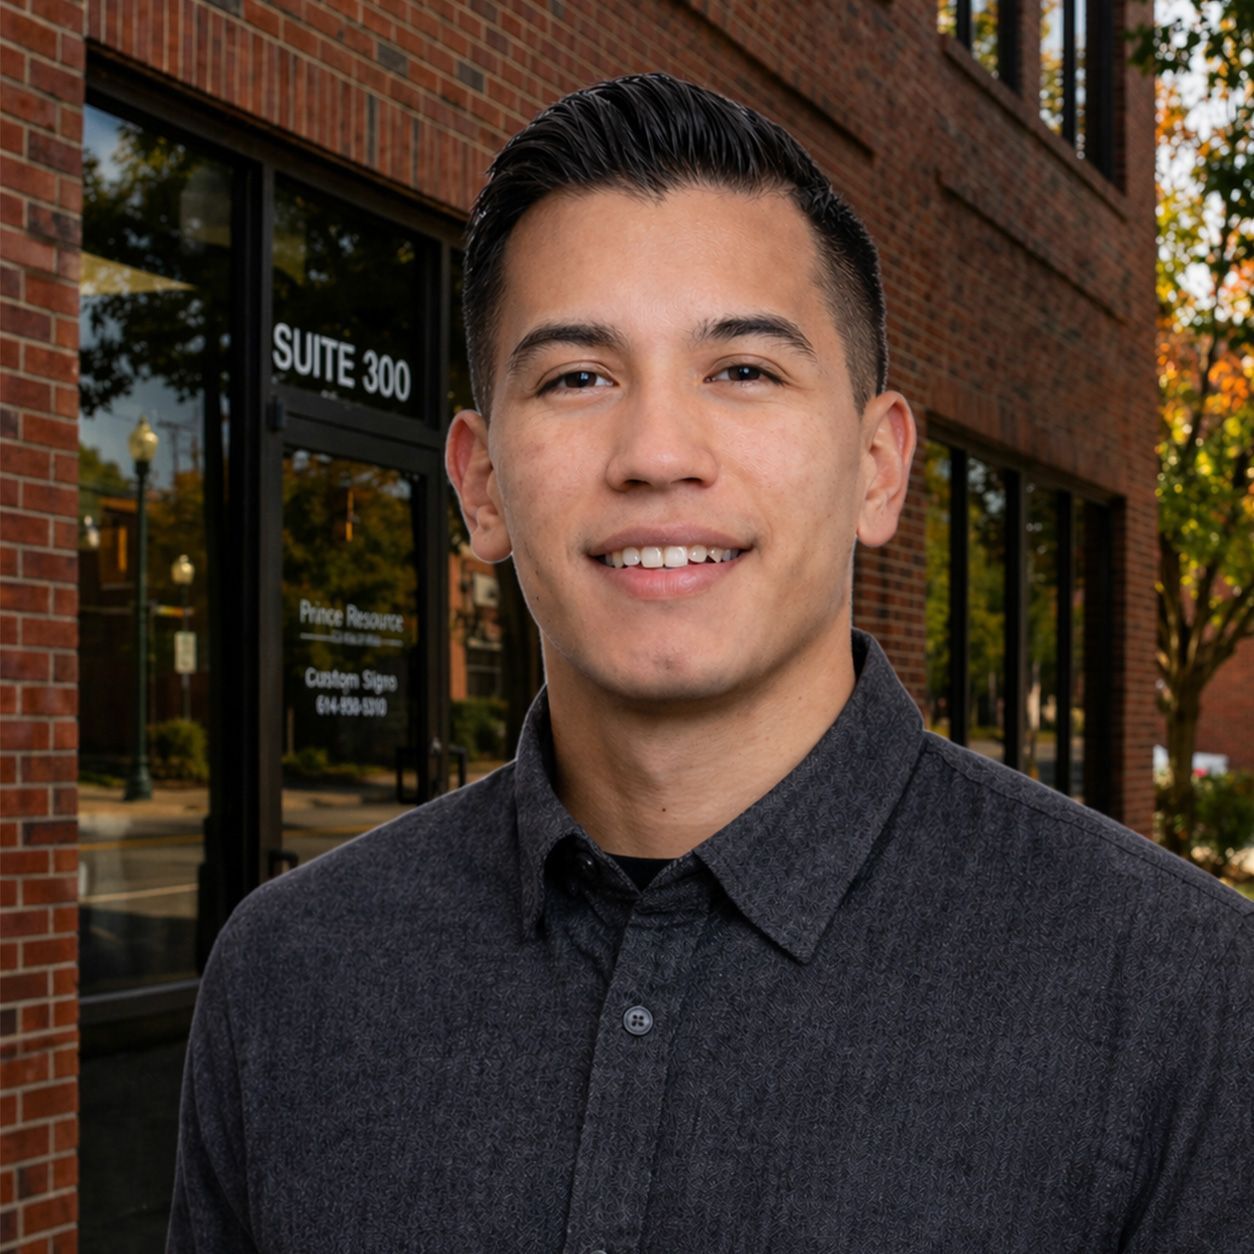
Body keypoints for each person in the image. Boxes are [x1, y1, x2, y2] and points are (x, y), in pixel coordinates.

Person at [169, 74, 1253, 1252]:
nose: (656, 452)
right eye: (577, 377)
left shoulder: (1178, 998)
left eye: (743, 370)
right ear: (480, 486)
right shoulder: (288, 980)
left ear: (879, 467)